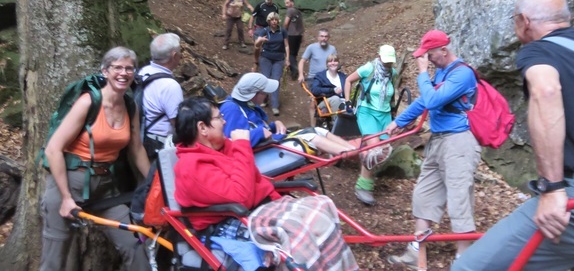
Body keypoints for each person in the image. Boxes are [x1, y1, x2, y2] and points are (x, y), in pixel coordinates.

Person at [453, 0, 574, 271]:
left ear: (524, 21)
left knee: (469, 268)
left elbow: (546, 91)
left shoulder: (540, 50)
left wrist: (551, 188)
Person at [173, 96, 359, 271]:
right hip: (227, 221)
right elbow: (241, 198)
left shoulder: (222, 147)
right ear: (202, 128)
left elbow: (252, 180)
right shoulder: (191, 167)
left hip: (254, 208)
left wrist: (269, 195)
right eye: (218, 117)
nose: (224, 121)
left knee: (321, 205)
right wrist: (242, 146)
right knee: (296, 228)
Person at [40, 47, 151, 271]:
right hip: (70, 182)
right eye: (117, 67)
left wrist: (155, 184)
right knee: (55, 259)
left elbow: (136, 149)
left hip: (105, 186)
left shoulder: (130, 105)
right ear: (105, 71)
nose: (124, 73)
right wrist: (65, 198)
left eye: (129, 68)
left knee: (133, 244)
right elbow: (53, 149)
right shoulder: (88, 102)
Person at [386, 30, 480, 267]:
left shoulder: (463, 74)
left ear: (443, 51)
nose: (426, 59)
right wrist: (399, 121)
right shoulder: (440, 73)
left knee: (460, 199)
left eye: (429, 55)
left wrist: (421, 73)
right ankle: (417, 253)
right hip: (438, 141)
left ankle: (464, 260)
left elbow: (433, 101)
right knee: (424, 195)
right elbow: (422, 102)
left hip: (458, 142)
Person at [220, 73, 358, 157]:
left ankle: (355, 150)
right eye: (264, 93)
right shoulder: (231, 109)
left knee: (319, 130)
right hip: (263, 153)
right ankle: (353, 154)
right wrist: (260, 133)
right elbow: (230, 142)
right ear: (254, 95)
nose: (267, 95)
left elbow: (256, 126)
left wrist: (273, 126)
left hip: (269, 144)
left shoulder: (247, 105)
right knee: (312, 138)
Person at [343, 45, 398, 206]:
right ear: (379, 57)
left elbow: (391, 93)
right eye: (386, 61)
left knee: (385, 149)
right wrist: (347, 102)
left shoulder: (393, 73)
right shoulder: (369, 68)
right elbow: (348, 80)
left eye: (390, 61)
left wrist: (393, 111)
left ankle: (351, 149)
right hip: (367, 112)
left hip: (385, 114)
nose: (388, 64)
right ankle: (363, 186)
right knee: (374, 149)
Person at [137, 33, 184, 160]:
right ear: (174, 56)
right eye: (180, 52)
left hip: (140, 136)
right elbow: (178, 123)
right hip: (157, 144)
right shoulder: (170, 86)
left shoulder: (143, 71)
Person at [298, 28, 337, 125]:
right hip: (313, 79)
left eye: (326, 36)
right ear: (318, 37)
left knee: (332, 99)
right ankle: (313, 126)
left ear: (329, 38)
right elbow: (302, 61)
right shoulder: (311, 47)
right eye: (322, 36)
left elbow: (335, 62)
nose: (324, 38)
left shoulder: (332, 49)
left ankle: (331, 122)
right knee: (313, 101)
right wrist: (301, 74)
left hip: (328, 78)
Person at [254, 12, 289, 116]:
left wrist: (287, 58)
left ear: (278, 20)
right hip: (266, 58)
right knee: (265, 78)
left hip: (278, 59)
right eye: (272, 19)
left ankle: (275, 105)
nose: (274, 21)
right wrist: (260, 40)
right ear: (269, 21)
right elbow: (256, 45)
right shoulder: (264, 31)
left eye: (276, 19)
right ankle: (264, 99)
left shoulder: (282, 31)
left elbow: (286, 45)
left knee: (275, 81)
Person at [283, 0, 304, 80]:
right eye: (285, 3)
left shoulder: (290, 11)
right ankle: (294, 69)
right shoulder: (298, 11)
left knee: (290, 53)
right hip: (298, 35)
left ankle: (294, 71)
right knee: (294, 54)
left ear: (292, 2)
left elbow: (286, 23)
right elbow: (302, 24)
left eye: (287, 3)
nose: (286, 5)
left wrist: (283, 32)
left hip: (291, 34)